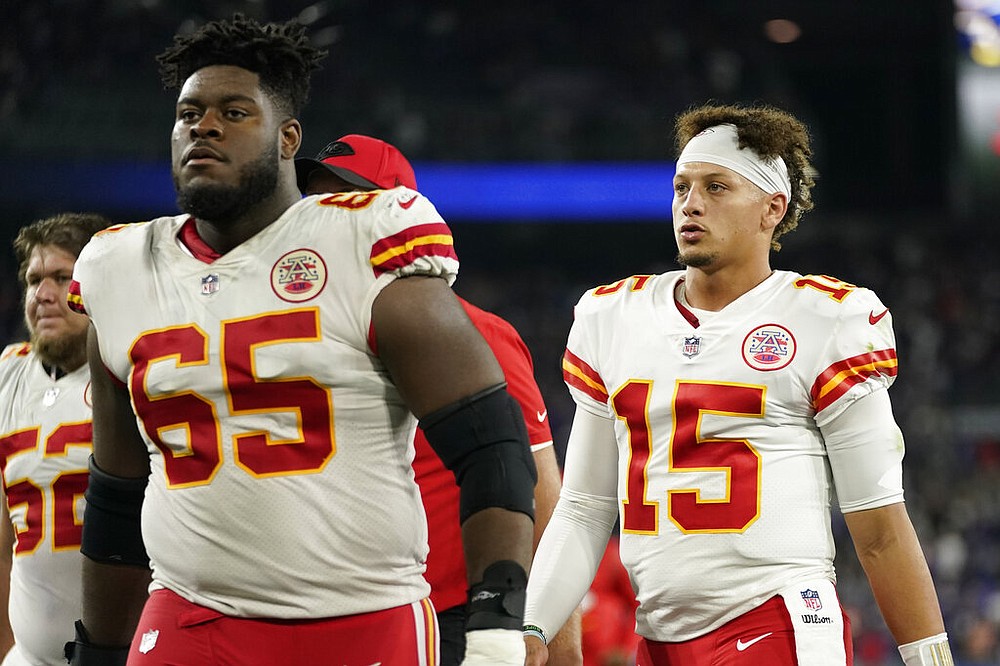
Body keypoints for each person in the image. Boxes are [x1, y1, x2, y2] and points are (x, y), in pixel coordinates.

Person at [64, 14, 537, 666]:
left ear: (288, 139)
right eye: (189, 113)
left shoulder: (366, 240)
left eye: (234, 112)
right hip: (191, 615)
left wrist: (497, 624)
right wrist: (99, 651)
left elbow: (492, 451)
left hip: (359, 617)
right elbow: (116, 496)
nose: (204, 126)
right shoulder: (119, 271)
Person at [522, 102, 954, 666]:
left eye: (717, 187)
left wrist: (931, 659)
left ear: (772, 209)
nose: (691, 203)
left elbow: (878, 524)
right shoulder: (613, 317)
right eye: (682, 187)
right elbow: (582, 510)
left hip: (779, 619)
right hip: (657, 637)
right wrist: (532, 628)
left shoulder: (827, 318)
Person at [296, 133, 583, 665]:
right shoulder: (289, 338)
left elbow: (542, 490)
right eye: (315, 203)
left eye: (346, 199)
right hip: (318, 614)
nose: (324, 218)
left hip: (442, 620)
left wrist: (557, 641)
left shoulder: (472, 333)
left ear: (397, 211)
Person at [0, 212, 112, 666]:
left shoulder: (133, 368)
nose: (43, 295)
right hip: (29, 654)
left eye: (61, 278)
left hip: (127, 646)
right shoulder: (9, 373)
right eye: (33, 280)